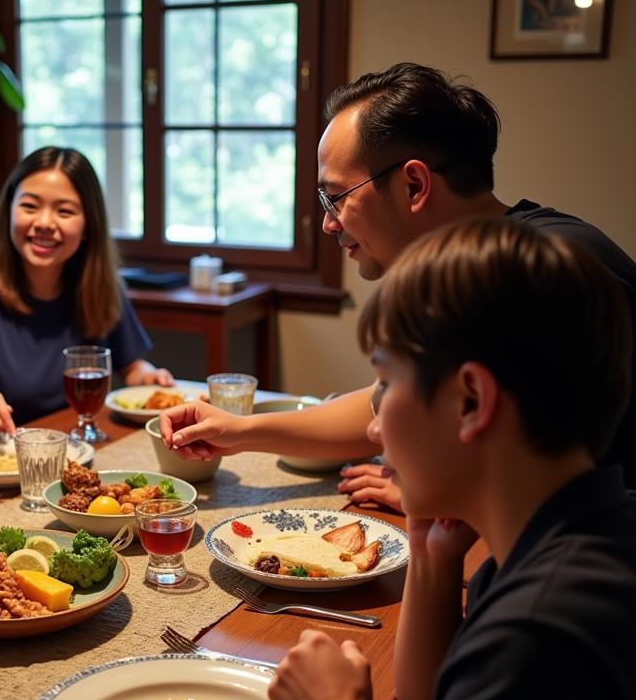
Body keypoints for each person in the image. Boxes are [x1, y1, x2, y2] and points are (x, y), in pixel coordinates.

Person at [266, 218, 636, 700]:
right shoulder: (563, 539)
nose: (374, 426)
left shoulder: (543, 631)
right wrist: (432, 559)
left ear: (470, 400)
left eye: (386, 381)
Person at [160, 62, 636, 507]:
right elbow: (379, 405)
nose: (328, 224)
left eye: (336, 197)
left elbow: (557, 476)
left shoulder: (542, 273)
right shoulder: (465, 269)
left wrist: (438, 494)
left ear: (413, 186)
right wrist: (240, 430)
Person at [0, 146, 172, 437]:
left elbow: (131, 367)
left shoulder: (101, 287)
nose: (43, 223)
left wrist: (148, 376)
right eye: (29, 206)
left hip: (65, 449)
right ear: (9, 212)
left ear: (89, 226)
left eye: (64, 211)